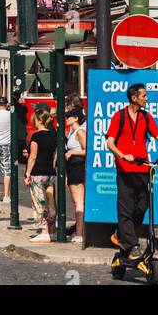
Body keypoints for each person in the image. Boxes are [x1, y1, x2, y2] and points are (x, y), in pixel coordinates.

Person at [106, 82, 158, 259]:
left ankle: (121, 234)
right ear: (134, 98)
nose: (147, 98)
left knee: (143, 205)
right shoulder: (119, 116)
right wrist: (122, 155)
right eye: (144, 96)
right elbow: (109, 142)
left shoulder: (146, 118)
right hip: (124, 170)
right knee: (125, 209)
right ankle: (132, 244)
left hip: (142, 168)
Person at [24, 106, 57, 240]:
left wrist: (27, 174)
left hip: (37, 173)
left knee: (39, 202)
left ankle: (44, 231)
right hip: (50, 172)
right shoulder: (53, 136)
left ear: (38, 120)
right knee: (51, 201)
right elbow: (54, 156)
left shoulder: (36, 136)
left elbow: (33, 157)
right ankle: (52, 230)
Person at [65, 101, 87, 242]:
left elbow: (87, 150)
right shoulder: (73, 132)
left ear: (76, 118)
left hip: (78, 168)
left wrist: (72, 152)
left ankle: (79, 234)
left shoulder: (80, 132)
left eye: (69, 116)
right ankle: (79, 231)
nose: (66, 118)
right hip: (72, 169)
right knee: (76, 202)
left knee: (79, 203)